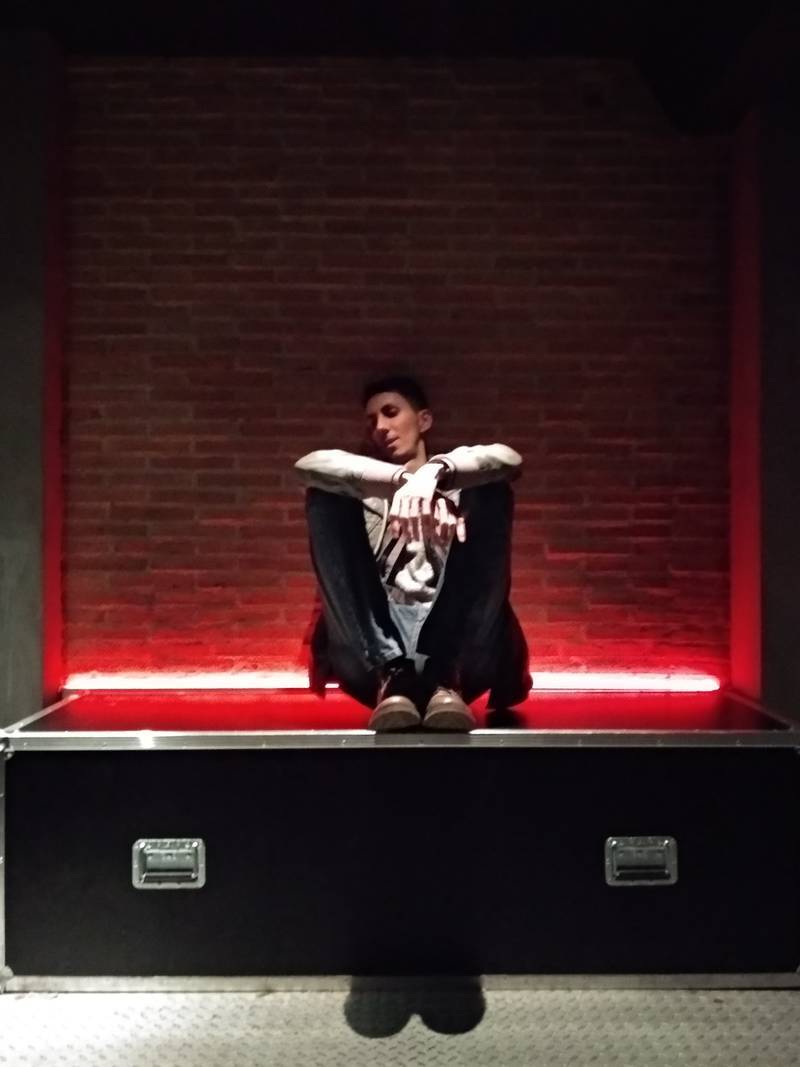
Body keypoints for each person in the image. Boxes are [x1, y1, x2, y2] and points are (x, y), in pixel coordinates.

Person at [295, 375, 531, 732]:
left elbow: (508, 459)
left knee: (492, 489)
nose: (380, 427)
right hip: (373, 655)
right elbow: (309, 465)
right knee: (325, 493)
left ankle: (443, 669)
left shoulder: (460, 488)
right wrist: (403, 481)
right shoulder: (365, 496)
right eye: (371, 420)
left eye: (390, 412)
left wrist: (434, 475)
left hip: (464, 652)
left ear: (424, 420)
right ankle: (393, 671)